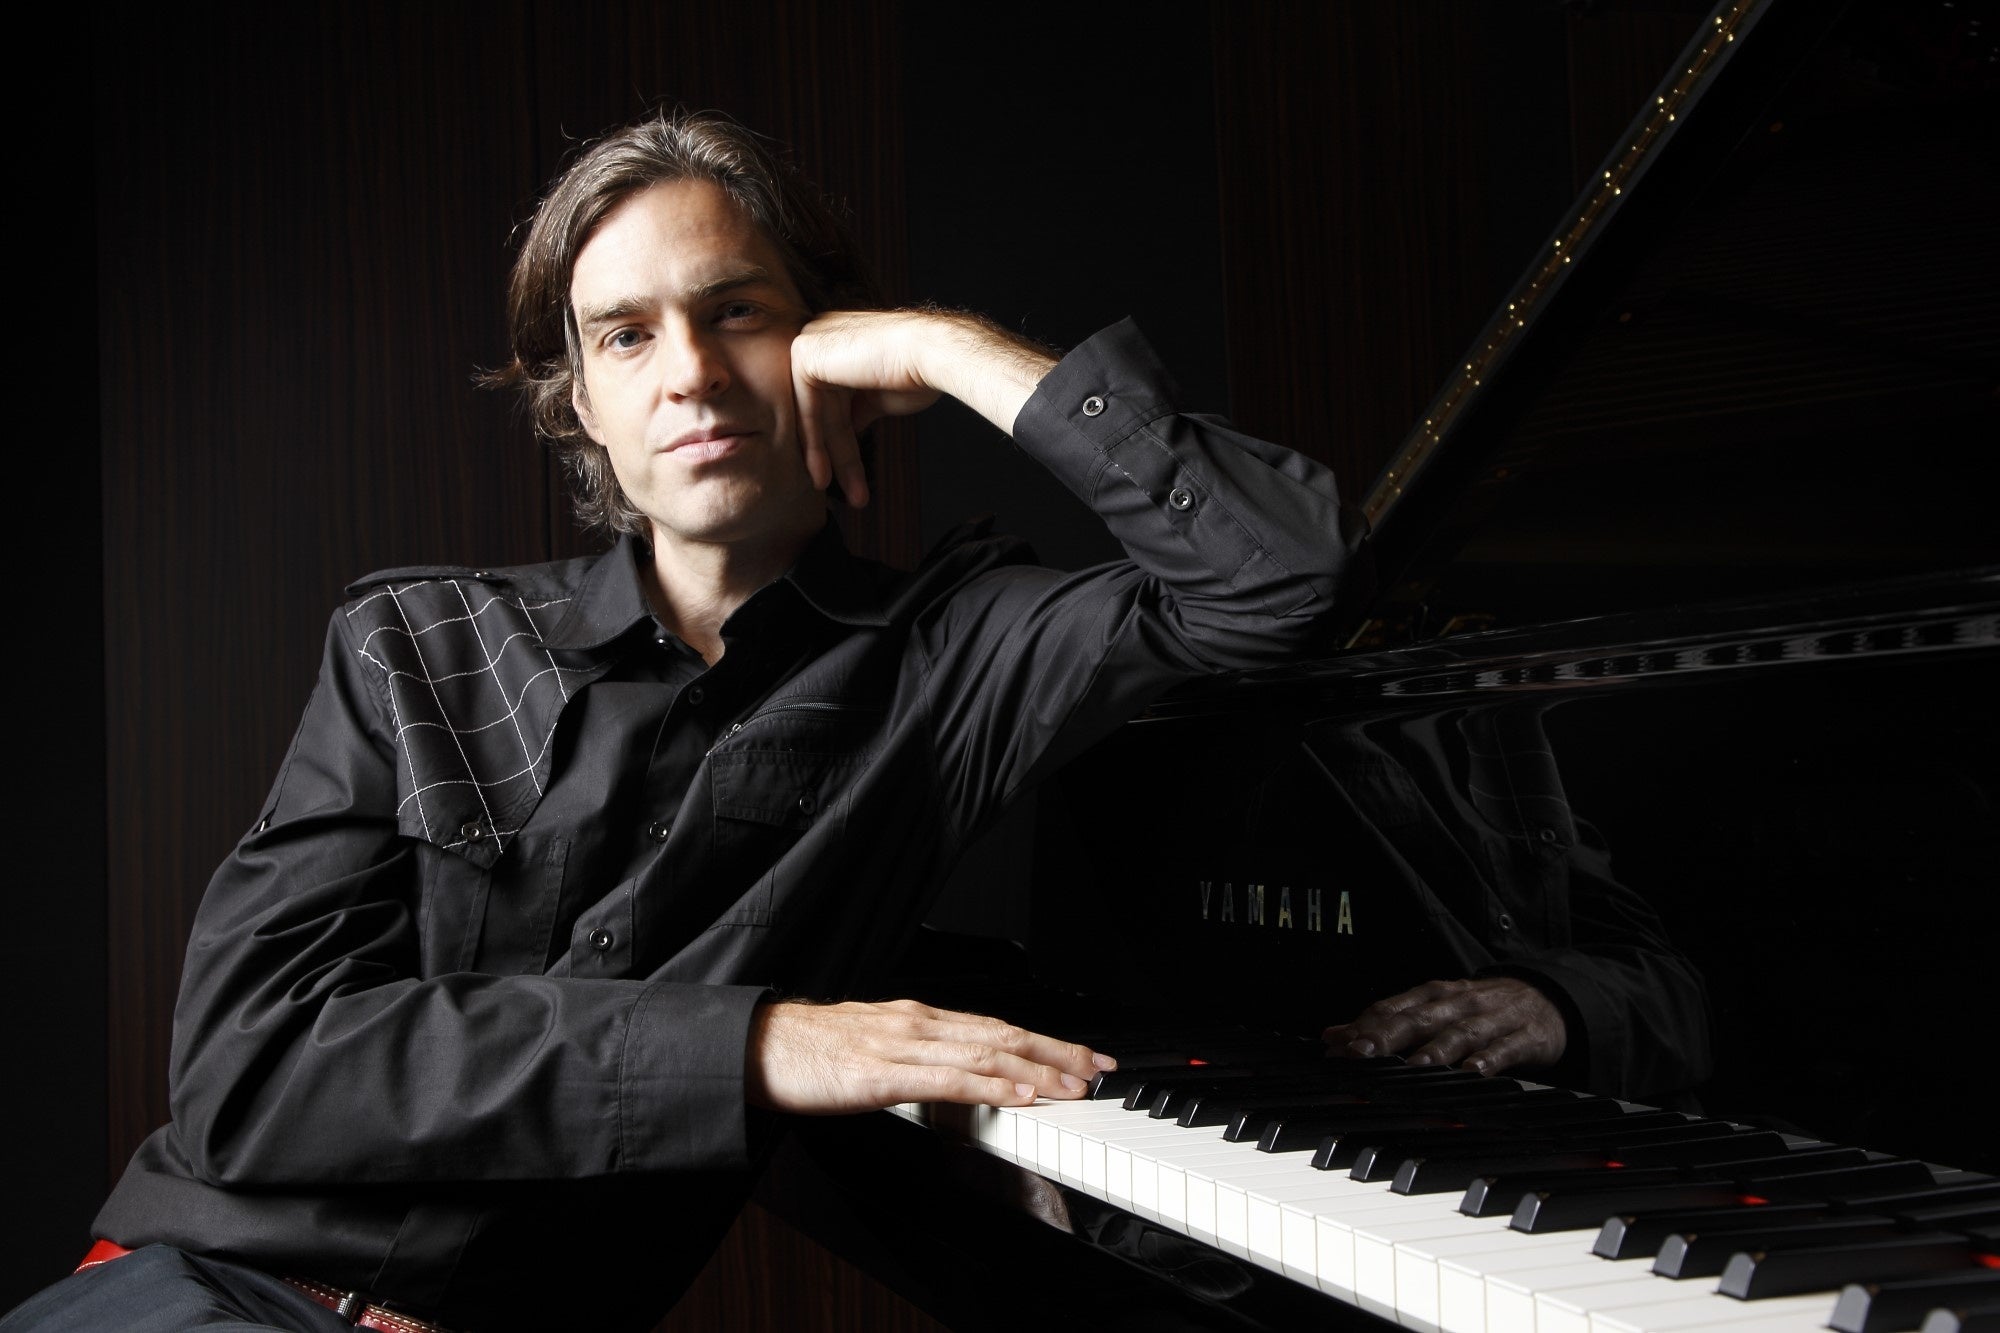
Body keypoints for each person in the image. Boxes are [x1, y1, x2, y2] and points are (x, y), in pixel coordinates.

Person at [4, 111, 1367, 1332]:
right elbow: (249, 1075)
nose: (693, 373)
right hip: (207, 1293)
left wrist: (943, 347)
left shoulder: (953, 658)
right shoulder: (417, 644)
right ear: (582, 404)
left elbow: (1287, 576)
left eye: (739, 312)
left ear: (824, 341)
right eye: (628, 335)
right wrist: (759, 1043)